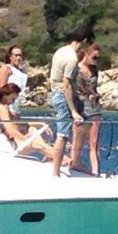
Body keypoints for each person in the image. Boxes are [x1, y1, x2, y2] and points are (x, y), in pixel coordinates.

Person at [49, 25, 91, 177]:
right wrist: (73, 111)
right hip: (62, 96)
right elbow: (66, 86)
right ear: (84, 40)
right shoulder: (72, 58)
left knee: (86, 122)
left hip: (60, 92)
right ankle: (55, 172)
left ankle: (76, 160)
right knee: (63, 134)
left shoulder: (61, 51)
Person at [0, 85, 56, 159]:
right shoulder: (1, 108)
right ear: (5, 96)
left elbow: (19, 123)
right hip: (0, 143)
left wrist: (40, 124)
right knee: (38, 144)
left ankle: (57, 159)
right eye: (12, 99)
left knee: (32, 130)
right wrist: (26, 140)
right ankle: (60, 159)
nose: (13, 102)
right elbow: (11, 131)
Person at [74, 41, 102, 175]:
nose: (95, 60)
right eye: (94, 57)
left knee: (94, 142)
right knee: (77, 139)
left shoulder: (94, 70)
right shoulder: (76, 69)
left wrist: (95, 96)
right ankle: (74, 162)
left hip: (94, 107)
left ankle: (95, 170)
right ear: (86, 54)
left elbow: (93, 88)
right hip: (80, 107)